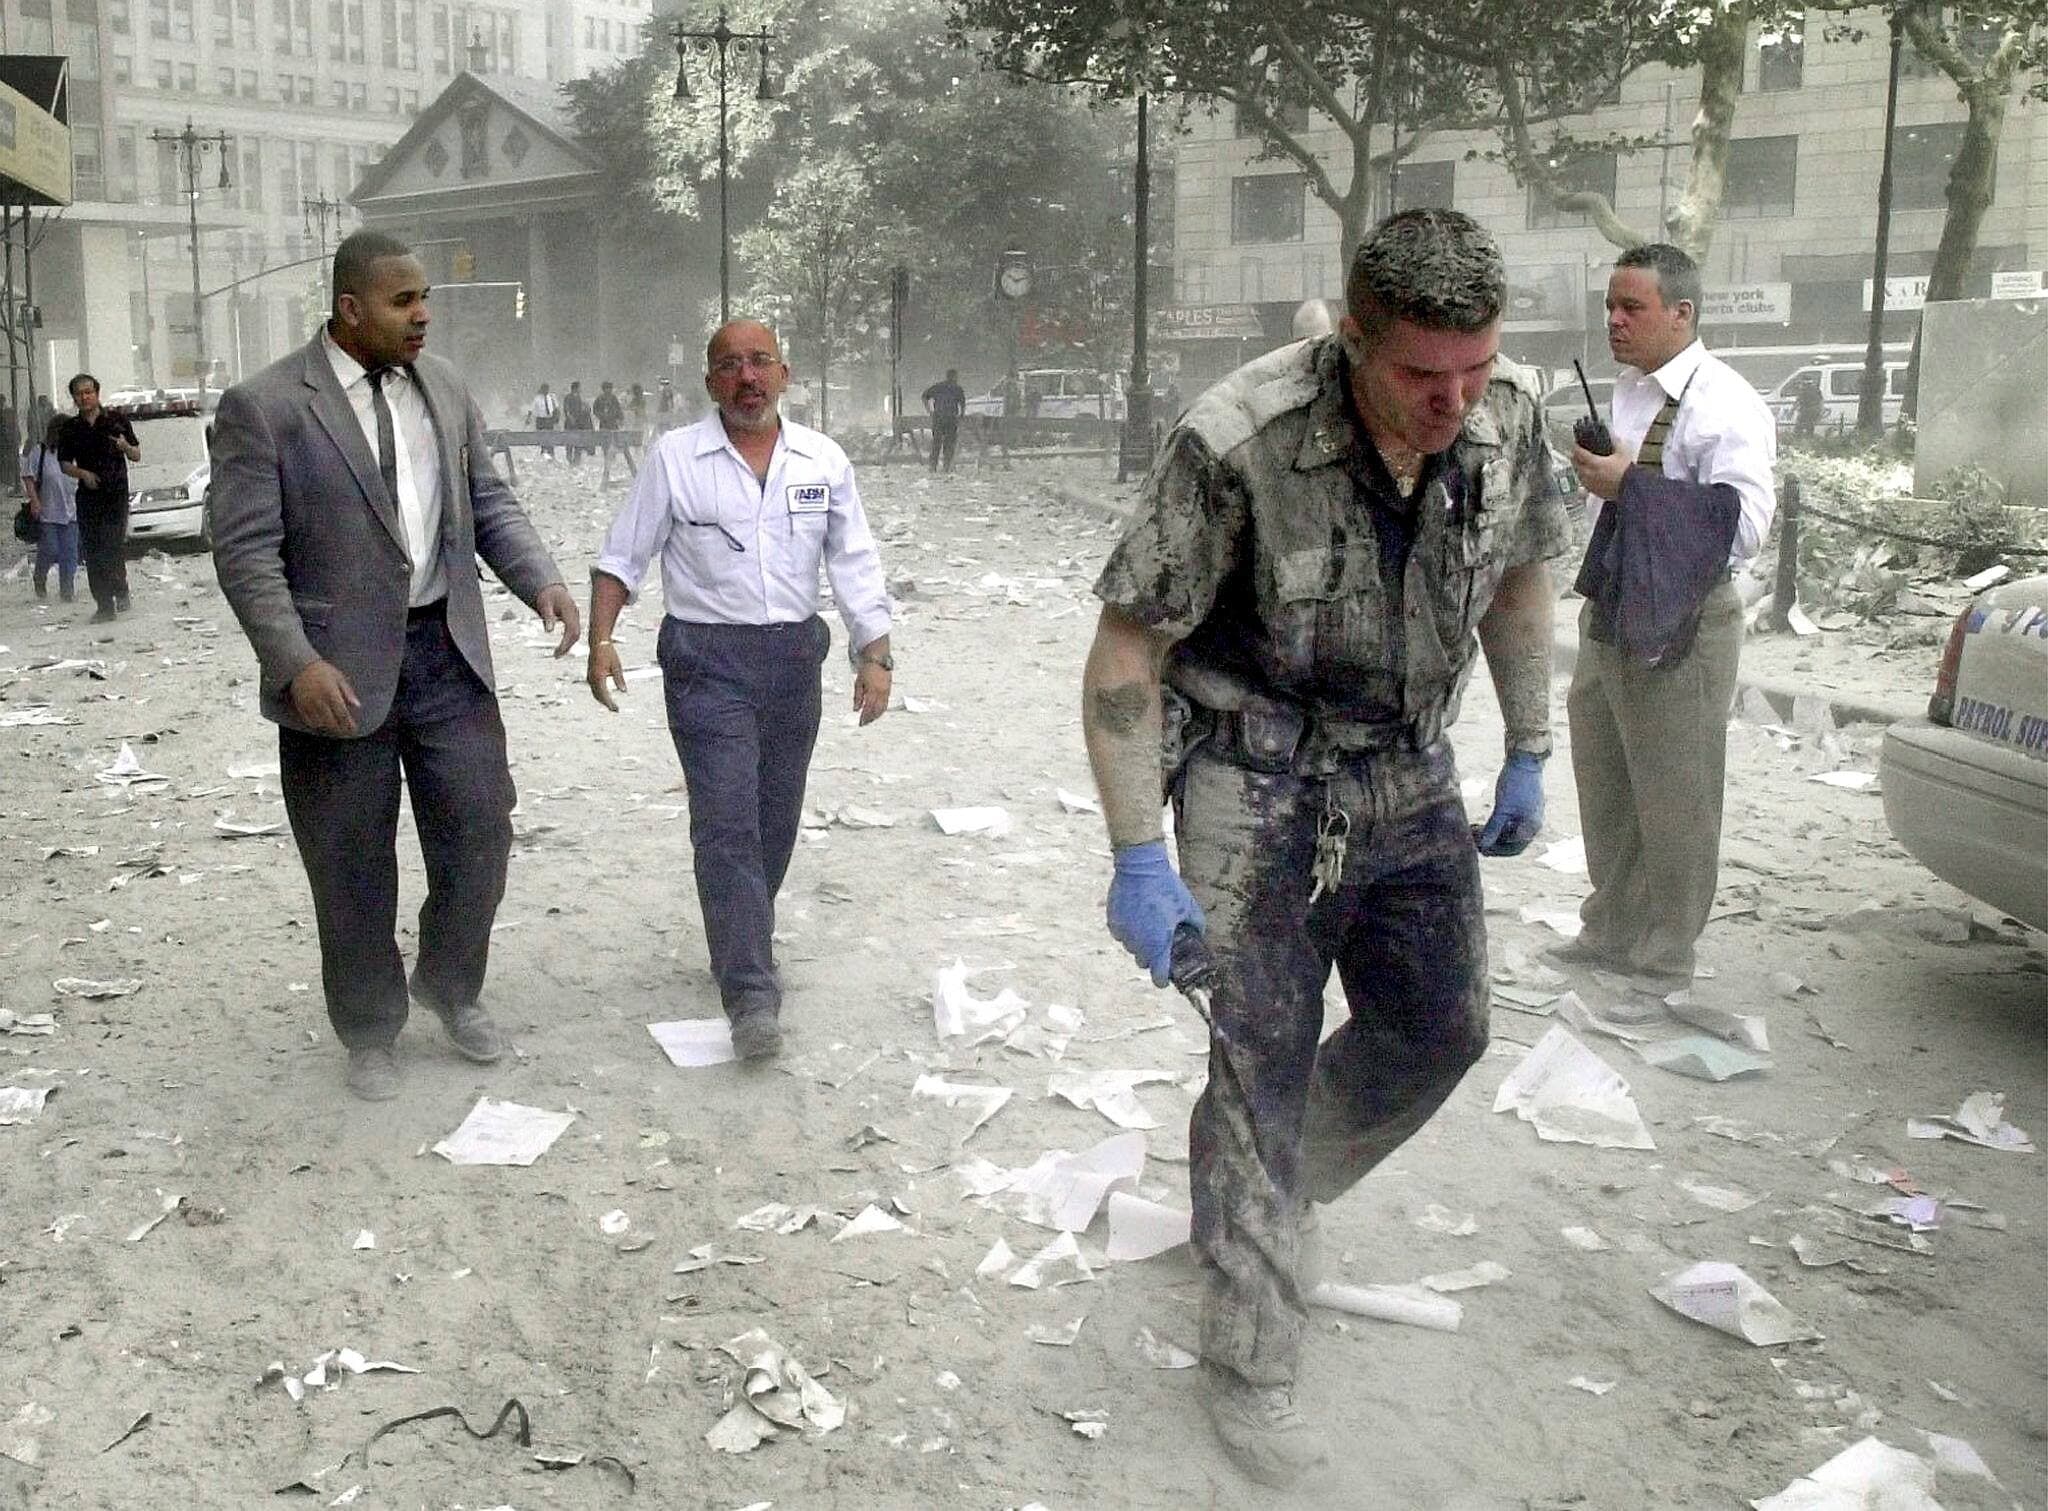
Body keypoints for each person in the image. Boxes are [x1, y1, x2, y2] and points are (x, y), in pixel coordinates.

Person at [1079, 209, 1569, 1488]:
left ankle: (1273, 1195)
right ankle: (1247, 1356)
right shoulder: (1235, 440)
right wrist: (1140, 853)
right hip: (1254, 778)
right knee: (1258, 1065)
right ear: (1352, 341)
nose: (1451, 403)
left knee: (1442, 1026)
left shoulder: (1506, 416)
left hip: (1408, 761)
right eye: (1420, 377)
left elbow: (1520, 578)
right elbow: (1127, 649)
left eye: (1472, 370)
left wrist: (1528, 740)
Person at [209, 229, 582, 1102]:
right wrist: (295, 661)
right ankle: (370, 1026)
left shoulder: (444, 387)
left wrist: (543, 582)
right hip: (333, 677)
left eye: (425, 300)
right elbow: (246, 554)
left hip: (447, 654)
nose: (422, 315)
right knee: (348, 861)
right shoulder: (264, 407)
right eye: (403, 301)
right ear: (349, 308)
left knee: (483, 833)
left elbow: (487, 498)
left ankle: (452, 987)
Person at [585, 319, 892, 1061]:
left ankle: (740, 932)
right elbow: (622, 557)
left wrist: (874, 652)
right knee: (725, 823)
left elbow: (853, 559)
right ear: (709, 382)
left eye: (759, 363)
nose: (746, 378)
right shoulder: (675, 459)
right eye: (729, 366)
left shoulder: (823, 460)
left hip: (793, 661)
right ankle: (752, 992)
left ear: (785, 373)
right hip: (705, 662)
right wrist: (600, 640)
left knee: (773, 820)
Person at [1562, 243, 1776, 995]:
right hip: (1617, 599)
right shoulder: (1630, 390)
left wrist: (1634, 486)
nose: (1615, 321)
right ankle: (1611, 925)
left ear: (1682, 314)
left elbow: (1744, 523)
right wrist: (1607, 476)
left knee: (1676, 785)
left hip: (1687, 613)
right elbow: (1618, 496)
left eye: (1633, 308)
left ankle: (1665, 951)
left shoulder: (1725, 402)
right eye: (1610, 307)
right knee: (1604, 764)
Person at [57, 374, 142, 623]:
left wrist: (125, 447)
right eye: (79, 394)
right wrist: (82, 474)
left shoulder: (117, 421)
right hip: (88, 498)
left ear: (97, 393)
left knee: (111, 546)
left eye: (88, 392)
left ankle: (121, 589)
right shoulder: (70, 429)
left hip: (115, 495)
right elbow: (63, 464)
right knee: (93, 551)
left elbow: (136, 454)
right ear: (74, 398)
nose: (84, 397)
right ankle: (104, 606)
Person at [22, 414, 80, 602]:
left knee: (69, 553)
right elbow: (28, 476)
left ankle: (67, 590)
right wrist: (35, 500)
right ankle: (40, 576)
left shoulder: (77, 452)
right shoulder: (41, 451)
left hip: (72, 512)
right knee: (50, 549)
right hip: (48, 511)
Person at [921, 368, 967, 473]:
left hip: (938, 418)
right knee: (949, 443)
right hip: (951, 418)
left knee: (936, 442)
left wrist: (929, 411)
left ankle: (933, 466)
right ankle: (946, 466)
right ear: (954, 377)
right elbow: (962, 404)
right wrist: (961, 416)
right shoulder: (958, 389)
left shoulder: (938, 387)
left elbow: (924, 396)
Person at [592, 378, 636, 487]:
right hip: (604, 423)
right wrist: (601, 416)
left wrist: (620, 419)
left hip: (613, 423)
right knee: (605, 441)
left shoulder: (613, 398)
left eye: (610, 388)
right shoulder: (599, 399)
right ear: (604, 389)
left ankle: (613, 457)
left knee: (616, 441)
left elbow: (619, 410)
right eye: (607, 388)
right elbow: (595, 410)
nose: (608, 390)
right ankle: (607, 455)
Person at [561, 380, 592, 465]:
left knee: (578, 442)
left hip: (579, 423)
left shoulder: (580, 398)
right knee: (570, 441)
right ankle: (569, 458)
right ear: (575, 388)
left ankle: (577, 460)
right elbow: (566, 410)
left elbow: (584, 409)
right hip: (570, 424)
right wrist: (571, 418)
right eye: (579, 387)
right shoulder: (568, 397)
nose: (580, 389)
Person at [529, 381, 560, 460]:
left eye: (547, 389)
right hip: (541, 420)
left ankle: (551, 453)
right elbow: (531, 409)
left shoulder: (552, 397)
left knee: (550, 436)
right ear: (542, 389)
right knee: (542, 437)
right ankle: (543, 452)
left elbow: (556, 408)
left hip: (549, 419)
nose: (546, 390)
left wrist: (556, 418)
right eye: (544, 389)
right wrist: (528, 418)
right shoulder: (537, 398)